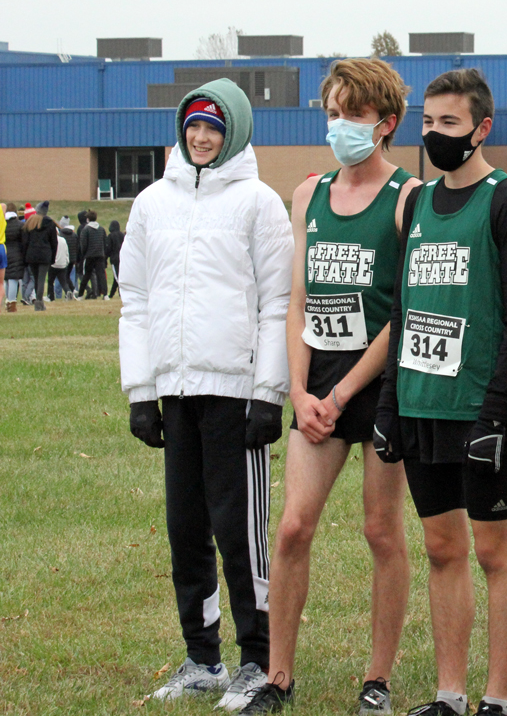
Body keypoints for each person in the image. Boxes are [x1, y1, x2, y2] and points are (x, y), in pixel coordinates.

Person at [245, 58, 414, 716]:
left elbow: (404, 314)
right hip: (315, 384)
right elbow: (297, 303)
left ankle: (377, 678)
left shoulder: (406, 197)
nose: (338, 125)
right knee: (291, 529)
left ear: (385, 123)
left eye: (352, 113)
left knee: (380, 530)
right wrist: (300, 391)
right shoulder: (308, 194)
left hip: (375, 385)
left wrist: (345, 393)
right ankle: (277, 676)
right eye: (331, 112)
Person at [119, 78, 293, 707]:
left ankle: (259, 658)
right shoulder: (150, 204)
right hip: (176, 392)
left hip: (237, 396)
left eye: (212, 127)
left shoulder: (259, 203)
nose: (200, 137)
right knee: (185, 527)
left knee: (238, 531)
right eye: (192, 125)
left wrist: (269, 393)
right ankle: (202, 657)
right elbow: (134, 300)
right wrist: (142, 390)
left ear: (235, 132)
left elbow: (278, 304)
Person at [376, 68, 507, 716]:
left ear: (482, 128)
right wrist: (389, 404)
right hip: (420, 405)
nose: (435, 134)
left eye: (449, 123)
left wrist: (496, 412)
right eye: (428, 122)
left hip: (478, 411)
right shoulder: (415, 202)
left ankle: (496, 701)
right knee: (442, 549)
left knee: (494, 550)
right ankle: (449, 694)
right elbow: (404, 306)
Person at [20, 202, 57, 312]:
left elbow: (25, 242)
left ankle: (39, 302)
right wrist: (52, 257)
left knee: (36, 279)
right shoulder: (50, 224)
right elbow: (54, 243)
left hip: (31, 254)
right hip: (45, 254)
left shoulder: (30, 222)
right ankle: (39, 302)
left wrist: (24, 257)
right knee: (41, 279)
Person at [77, 209, 108, 300]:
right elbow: (104, 242)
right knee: (101, 275)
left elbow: (83, 244)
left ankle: (80, 295)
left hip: (89, 255)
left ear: (87, 219)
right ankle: (105, 294)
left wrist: (84, 254)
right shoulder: (101, 229)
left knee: (86, 275)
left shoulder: (86, 229)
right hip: (100, 255)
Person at [4, 209, 24, 310]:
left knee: (4, 278)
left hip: (4, 251)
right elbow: (24, 241)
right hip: (17, 253)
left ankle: (6, 300)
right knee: (13, 278)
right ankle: (12, 301)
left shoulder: (2, 224)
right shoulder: (20, 225)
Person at [48, 222, 72, 302]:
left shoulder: (51, 241)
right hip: (62, 264)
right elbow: (66, 251)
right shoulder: (63, 240)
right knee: (63, 281)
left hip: (54, 264)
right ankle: (68, 291)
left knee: (50, 281)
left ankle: (51, 297)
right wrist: (67, 261)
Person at [107, 219, 125, 298]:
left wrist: (106, 256)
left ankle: (122, 292)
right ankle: (112, 294)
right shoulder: (122, 235)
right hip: (123, 258)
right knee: (118, 276)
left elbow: (108, 248)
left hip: (114, 259)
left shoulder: (111, 236)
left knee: (117, 277)